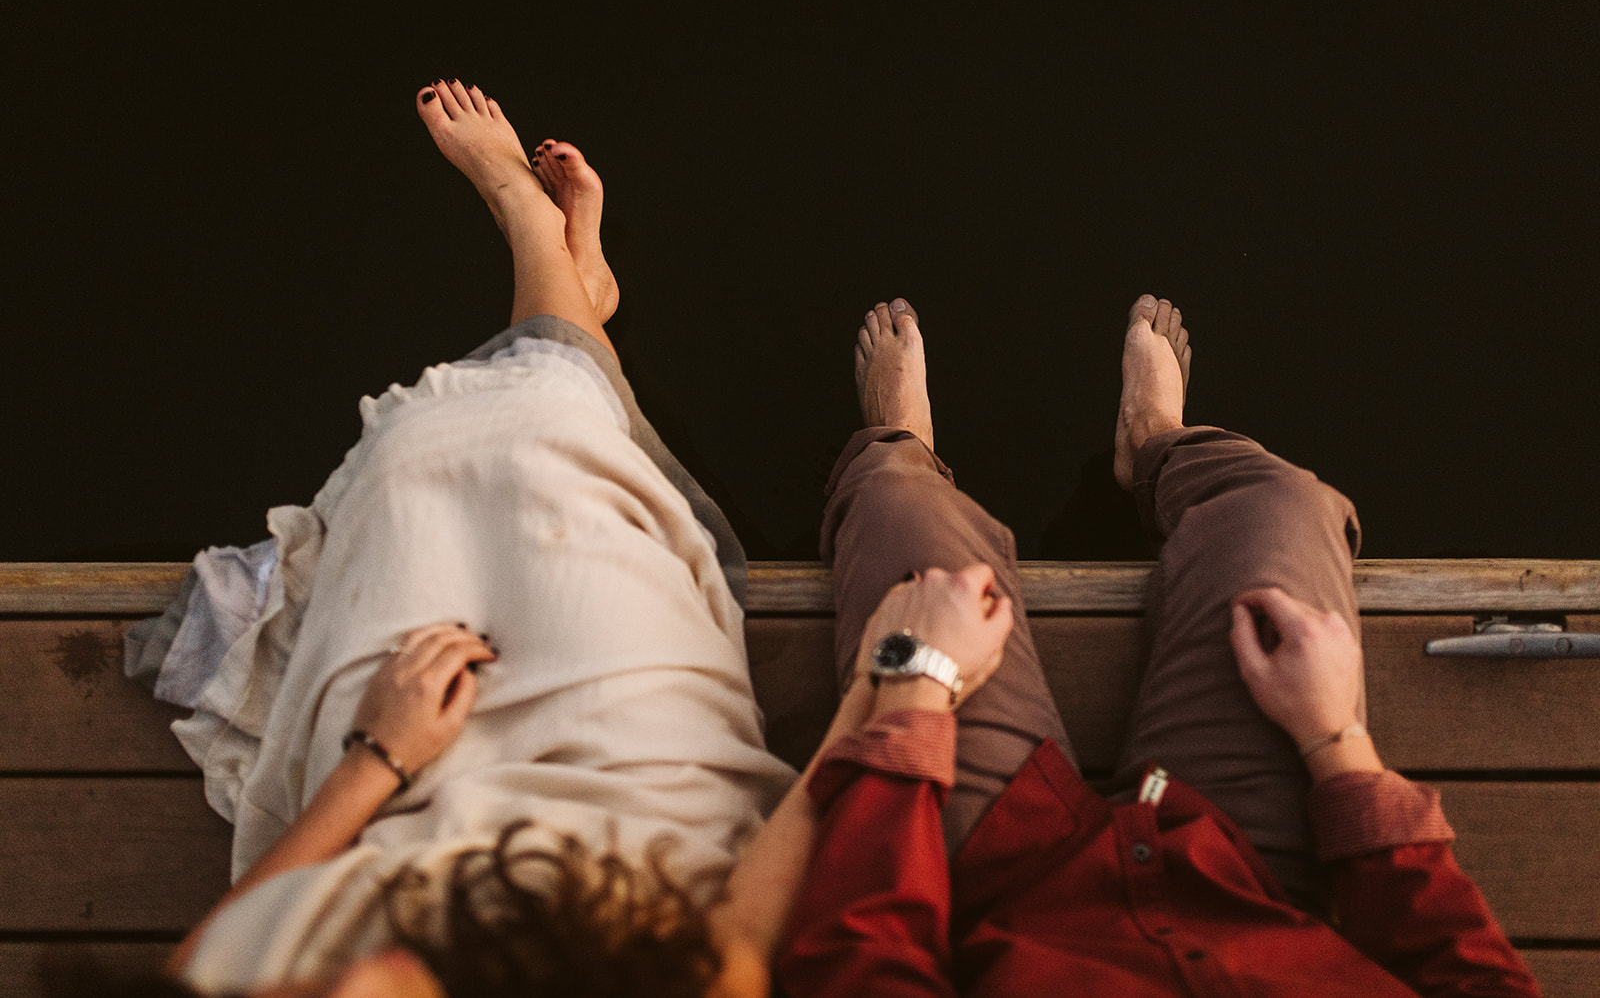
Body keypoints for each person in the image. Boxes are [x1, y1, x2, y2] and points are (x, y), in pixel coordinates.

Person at [137, 80, 846, 998]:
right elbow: (738, 942)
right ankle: (545, 252)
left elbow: (199, 965)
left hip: (389, 808)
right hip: (627, 825)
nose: (349, 986)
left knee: (418, 462)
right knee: (539, 447)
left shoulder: (334, 967)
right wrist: (900, 682)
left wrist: (373, 763)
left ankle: (572, 294)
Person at [776, 296, 1542, 995]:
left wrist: (916, 687)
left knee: (901, 516)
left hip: (1002, 895)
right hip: (1244, 881)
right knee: (1281, 506)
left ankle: (903, 449)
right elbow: (1470, 972)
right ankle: (1155, 446)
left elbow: (860, 969)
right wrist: (1336, 740)